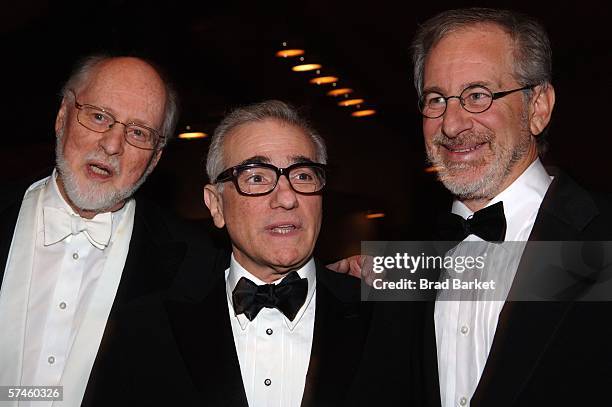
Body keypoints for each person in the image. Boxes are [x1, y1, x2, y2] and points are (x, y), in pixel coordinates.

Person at [89, 100, 375, 406]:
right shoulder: (146, 328)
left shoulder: (385, 311)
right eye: (256, 177)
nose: (287, 198)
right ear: (215, 205)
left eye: (303, 175)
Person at [410, 7, 612, 406]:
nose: (451, 124)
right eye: (436, 99)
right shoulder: (408, 263)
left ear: (538, 107)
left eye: (478, 96)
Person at [0, 55, 218, 406]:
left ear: (156, 156)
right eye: (99, 117)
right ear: (63, 117)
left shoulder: (196, 267)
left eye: (138, 133)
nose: (112, 145)